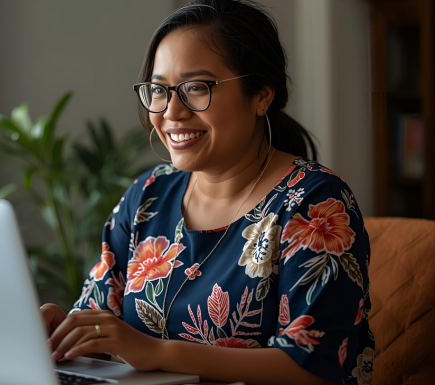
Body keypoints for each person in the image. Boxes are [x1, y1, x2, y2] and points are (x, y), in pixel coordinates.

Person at [41, 1, 375, 384]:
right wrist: (63, 331)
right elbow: (103, 327)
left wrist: (158, 353)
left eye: (196, 88)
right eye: (159, 90)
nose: (172, 111)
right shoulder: (148, 196)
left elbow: (315, 366)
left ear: (262, 95)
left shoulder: (314, 202)